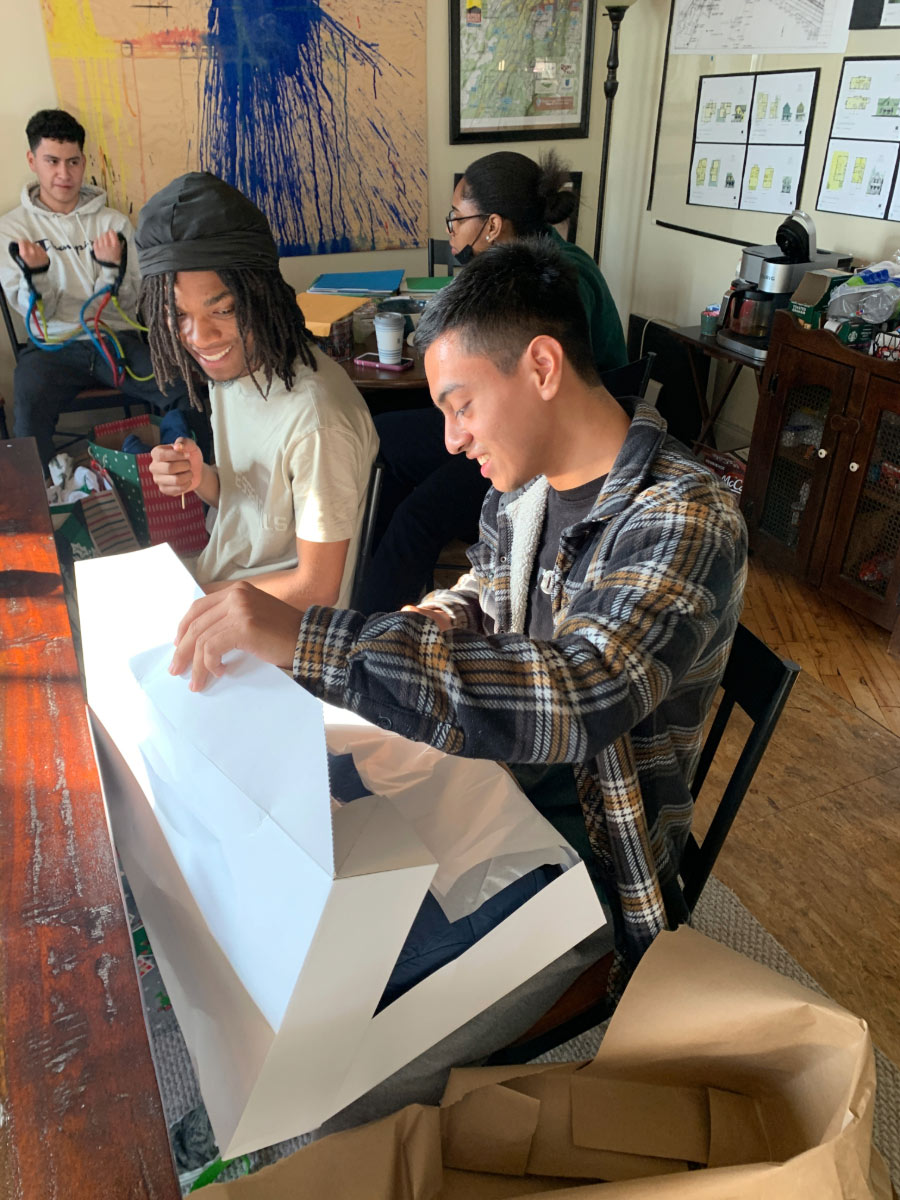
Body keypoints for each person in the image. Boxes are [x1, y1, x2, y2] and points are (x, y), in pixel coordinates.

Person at [164, 238, 748, 1129]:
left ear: (542, 366)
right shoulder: (526, 489)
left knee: (336, 1041)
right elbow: (483, 587)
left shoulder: (687, 514)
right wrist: (418, 626)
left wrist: (320, 640)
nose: (450, 438)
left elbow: (580, 694)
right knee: (299, 869)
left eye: (460, 404)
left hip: (589, 851)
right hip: (484, 781)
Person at [358, 149, 628, 613]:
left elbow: (575, 677)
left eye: (457, 218)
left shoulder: (555, 281)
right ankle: (369, 597)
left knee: (417, 515)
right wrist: (441, 617)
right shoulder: (520, 270)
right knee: (380, 438)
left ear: (493, 225)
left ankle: (370, 607)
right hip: (526, 415)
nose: (452, 231)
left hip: (550, 427)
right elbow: (484, 592)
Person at [137, 171, 378, 608]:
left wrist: (188, 602)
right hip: (224, 580)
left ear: (260, 293)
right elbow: (256, 511)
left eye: (224, 308)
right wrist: (201, 478)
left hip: (280, 631)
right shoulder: (234, 372)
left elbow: (315, 590)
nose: (200, 337)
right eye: (179, 315)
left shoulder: (316, 420)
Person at [0, 109, 188, 470]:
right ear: (32, 160)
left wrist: (110, 269)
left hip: (114, 341)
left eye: (73, 162)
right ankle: (40, 509)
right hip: (51, 348)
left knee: (182, 386)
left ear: (83, 161)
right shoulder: (13, 230)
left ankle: (174, 475)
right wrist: (37, 275)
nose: (63, 174)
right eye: (51, 161)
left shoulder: (113, 222)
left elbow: (131, 303)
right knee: (27, 406)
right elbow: (39, 317)